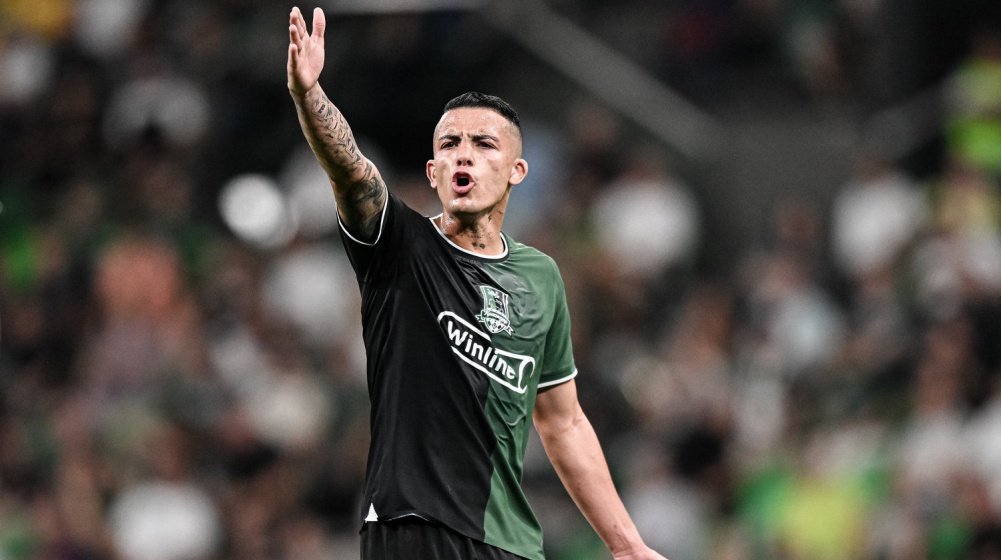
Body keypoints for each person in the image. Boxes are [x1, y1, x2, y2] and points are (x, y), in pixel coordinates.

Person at [287, 7, 668, 560]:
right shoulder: (400, 245)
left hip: (509, 542)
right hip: (413, 528)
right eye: (449, 144)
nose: (463, 153)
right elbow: (350, 169)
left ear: (517, 171)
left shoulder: (540, 276)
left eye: (484, 144)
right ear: (433, 172)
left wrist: (627, 545)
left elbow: (563, 422)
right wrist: (309, 96)